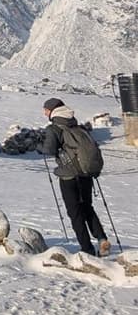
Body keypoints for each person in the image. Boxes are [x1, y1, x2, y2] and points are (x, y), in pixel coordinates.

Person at [40, 97, 110, 257]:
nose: (44, 113)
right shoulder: (76, 125)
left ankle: (87, 250)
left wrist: (40, 145)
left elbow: (49, 150)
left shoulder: (54, 128)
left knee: (75, 213)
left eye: (46, 110)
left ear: (52, 111)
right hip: (86, 173)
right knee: (87, 207)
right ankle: (101, 238)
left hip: (68, 176)